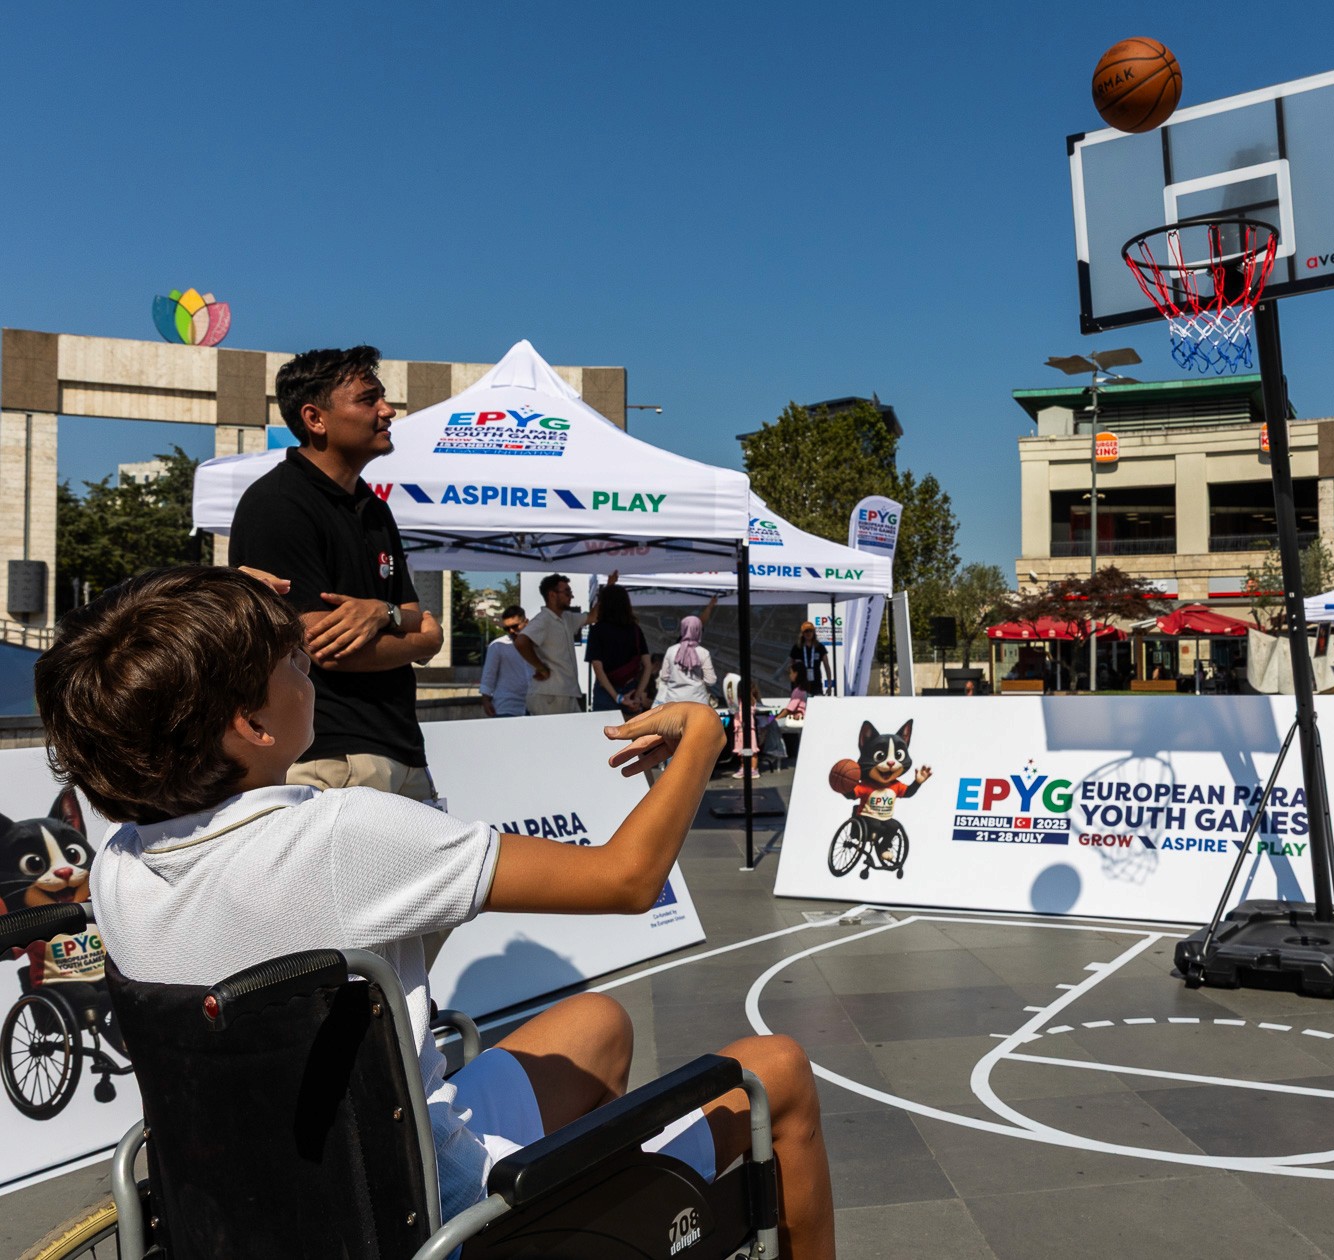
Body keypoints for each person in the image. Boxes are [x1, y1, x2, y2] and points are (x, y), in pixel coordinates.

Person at [35, 566, 835, 1257]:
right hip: (435, 1213)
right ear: (250, 724)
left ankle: (596, 1202)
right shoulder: (342, 836)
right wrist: (701, 737)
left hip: (265, 1202)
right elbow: (626, 880)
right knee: (778, 1071)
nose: (308, 664)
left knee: (596, 1025)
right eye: (291, 660)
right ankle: (566, 1225)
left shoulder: (119, 864)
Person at [228, 345, 443, 803]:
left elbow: (412, 612)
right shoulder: (278, 503)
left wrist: (381, 612)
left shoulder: (374, 509)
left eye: (382, 397)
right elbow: (326, 646)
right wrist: (423, 642)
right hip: (330, 756)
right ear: (315, 418)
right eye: (368, 399)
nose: (387, 411)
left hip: (402, 747)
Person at [514, 573, 602, 716]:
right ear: (552, 595)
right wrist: (540, 667)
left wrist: (608, 587)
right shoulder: (543, 619)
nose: (571, 596)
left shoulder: (566, 618)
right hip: (549, 695)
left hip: (564, 693)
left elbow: (593, 617)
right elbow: (521, 641)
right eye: (567, 592)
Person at [585, 583, 652, 718]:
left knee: (604, 729)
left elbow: (597, 667)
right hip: (631, 690)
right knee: (632, 730)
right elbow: (648, 665)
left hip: (605, 691)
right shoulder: (635, 629)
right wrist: (638, 694)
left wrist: (617, 697)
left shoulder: (597, 630)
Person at [657, 606, 719, 706]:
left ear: (682, 629)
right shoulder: (703, 652)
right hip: (698, 702)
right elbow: (711, 680)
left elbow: (664, 677)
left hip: (673, 701)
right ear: (698, 631)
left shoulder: (671, 650)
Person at [479, 605, 533, 717]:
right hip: (507, 706)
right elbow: (489, 675)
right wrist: (486, 700)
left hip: (533, 706)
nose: (511, 631)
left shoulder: (538, 644)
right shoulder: (498, 646)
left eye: (515, 626)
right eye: (507, 628)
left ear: (526, 622)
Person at [789, 622, 831, 697]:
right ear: (802, 633)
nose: (808, 633)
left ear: (813, 632)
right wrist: (793, 683)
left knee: (818, 702)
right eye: (806, 631)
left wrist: (829, 684)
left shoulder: (820, 647)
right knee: (801, 703)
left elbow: (827, 667)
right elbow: (791, 667)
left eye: (810, 631)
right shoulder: (797, 647)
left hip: (816, 684)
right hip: (800, 684)